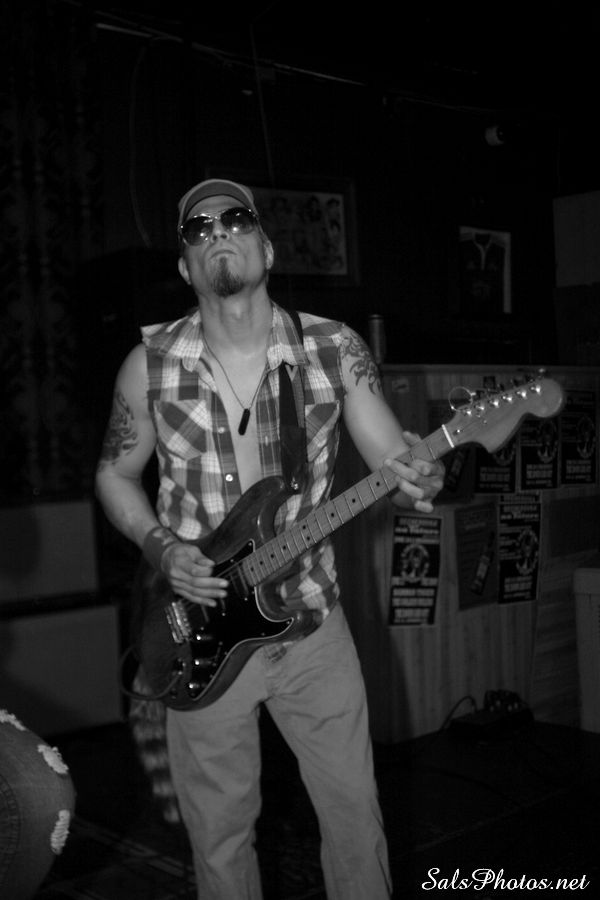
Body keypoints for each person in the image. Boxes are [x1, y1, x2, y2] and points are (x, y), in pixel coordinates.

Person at [94, 177, 445, 900]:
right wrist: (161, 547)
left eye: (236, 218)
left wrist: (420, 472)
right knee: (220, 840)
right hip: (199, 628)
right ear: (186, 266)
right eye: (199, 228)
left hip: (312, 622)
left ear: (268, 246)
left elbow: (391, 458)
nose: (218, 231)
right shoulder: (148, 365)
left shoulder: (333, 349)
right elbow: (114, 475)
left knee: (355, 822)